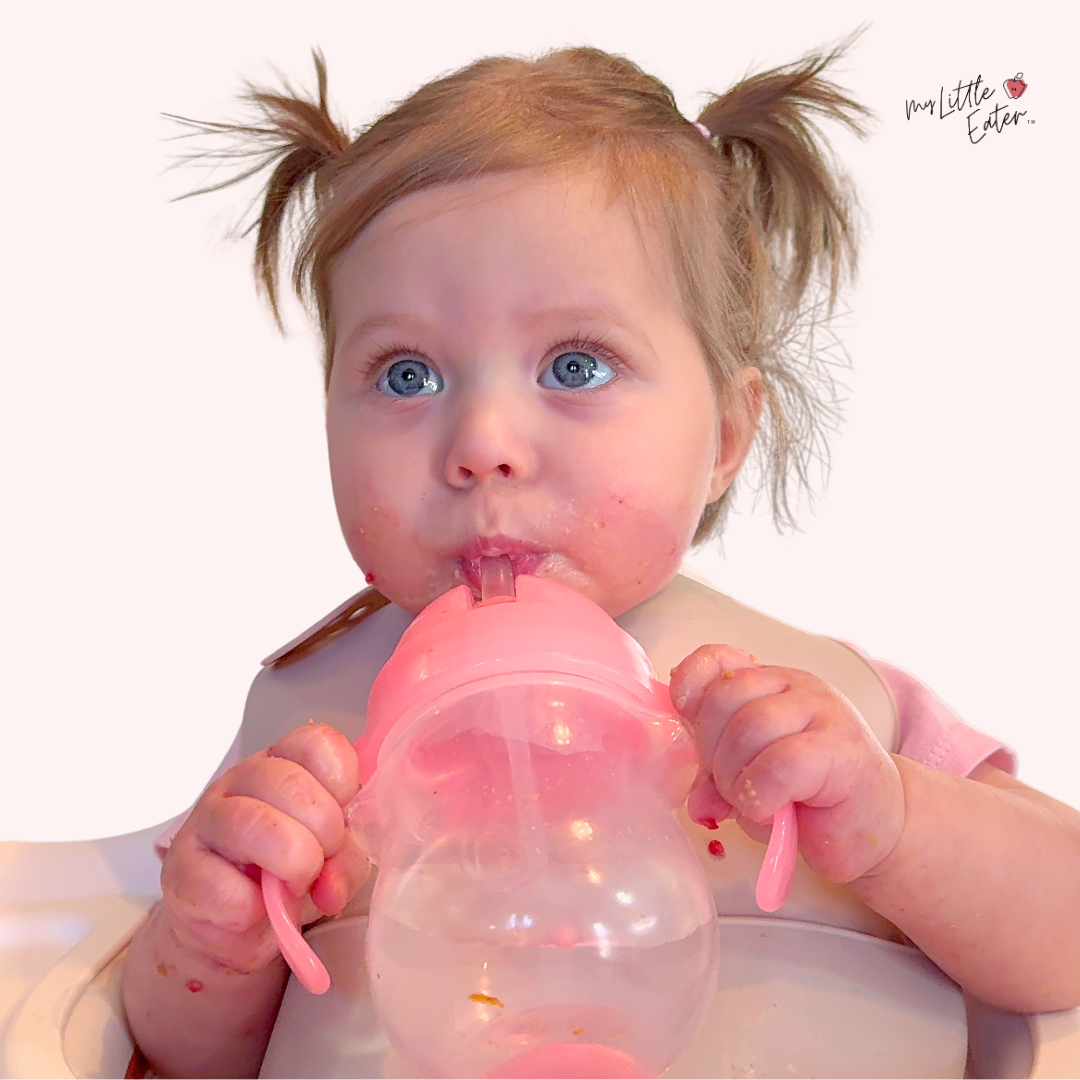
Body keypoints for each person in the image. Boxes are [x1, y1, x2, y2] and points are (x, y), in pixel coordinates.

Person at [120, 31, 1080, 1078]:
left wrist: (892, 824)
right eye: (405, 376)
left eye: (575, 363)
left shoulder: (820, 714)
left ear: (723, 434)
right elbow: (169, 1056)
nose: (483, 443)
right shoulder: (302, 730)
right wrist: (211, 937)